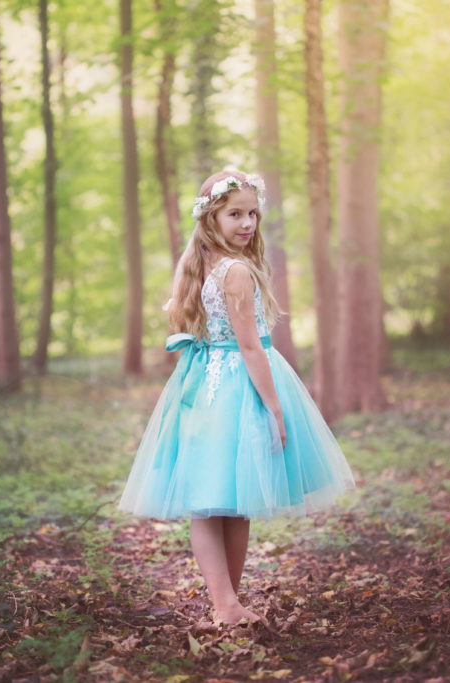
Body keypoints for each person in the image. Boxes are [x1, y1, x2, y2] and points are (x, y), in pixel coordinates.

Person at [118, 169, 355, 626]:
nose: (247, 223)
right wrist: (275, 407)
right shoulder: (237, 270)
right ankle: (226, 603)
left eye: (252, 213)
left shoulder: (203, 263)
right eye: (234, 214)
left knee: (218, 498)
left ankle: (227, 602)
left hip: (207, 382)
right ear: (211, 217)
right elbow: (250, 346)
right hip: (238, 386)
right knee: (228, 501)